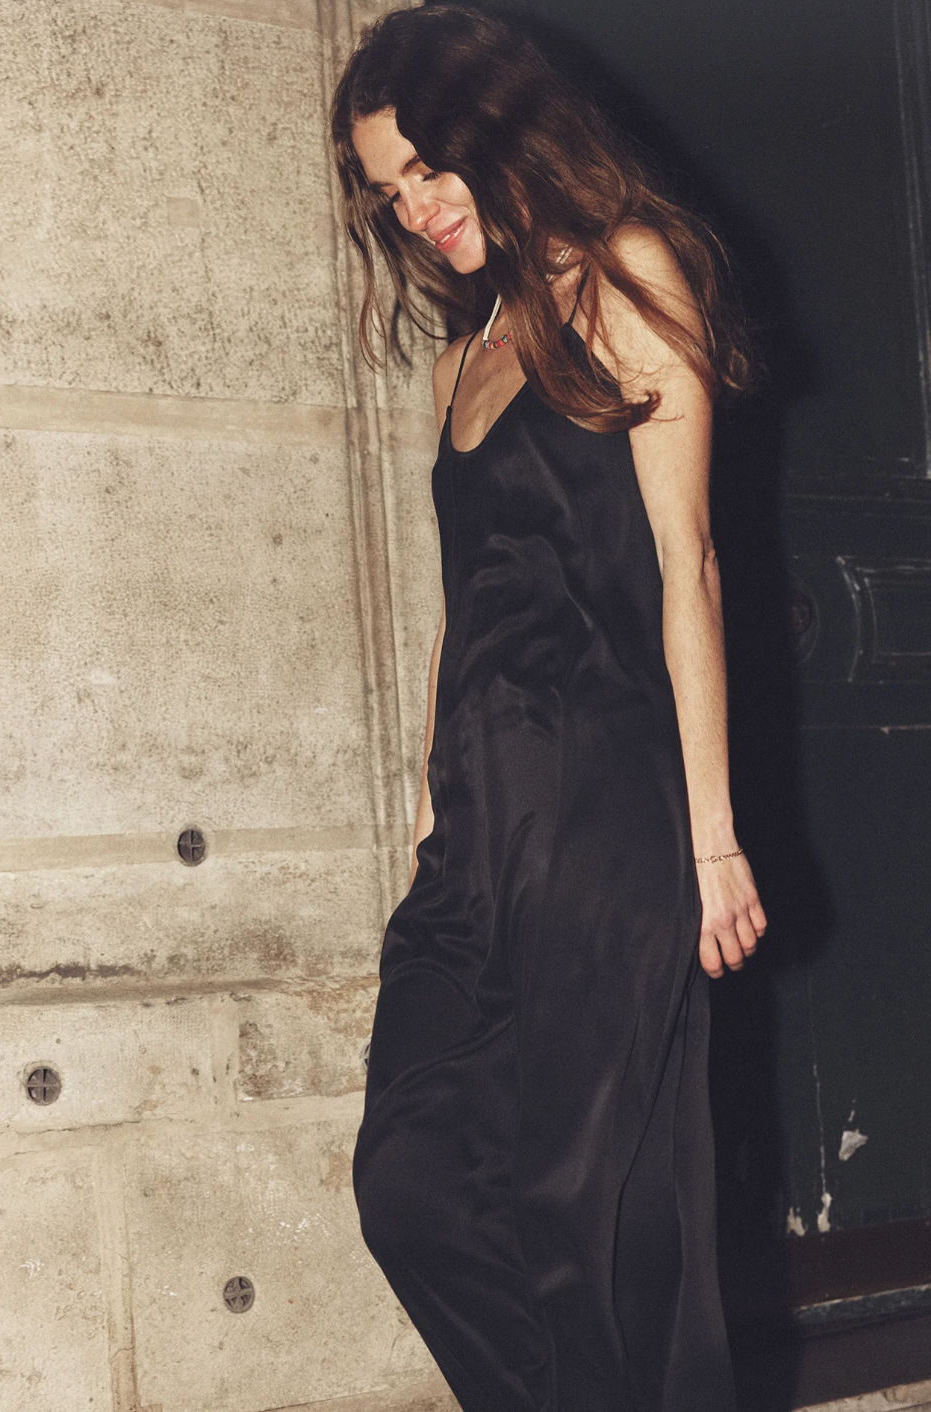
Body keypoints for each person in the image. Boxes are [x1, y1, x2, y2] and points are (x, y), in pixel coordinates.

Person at [331, 7, 767, 1410]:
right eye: (393, 193)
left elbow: (686, 563)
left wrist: (710, 838)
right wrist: (424, 796)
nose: (421, 209)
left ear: (499, 126)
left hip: (605, 805)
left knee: (593, 1221)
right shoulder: (469, 355)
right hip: (479, 823)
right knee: (411, 1182)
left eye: (431, 169)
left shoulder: (627, 278)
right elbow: (474, 596)